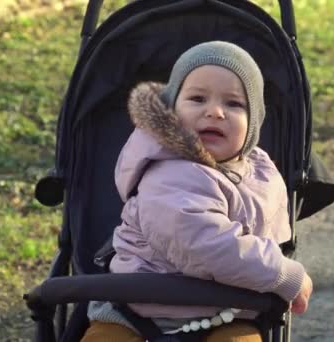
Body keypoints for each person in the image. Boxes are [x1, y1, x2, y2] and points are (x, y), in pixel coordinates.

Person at [83, 41, 313, 342]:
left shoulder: (259, 173)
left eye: (234, 104)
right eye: (197, 98)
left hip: (227, 315)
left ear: (253, 124)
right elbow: (205, 244)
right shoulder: (168, 170)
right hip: (135, 313)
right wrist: (283, 274)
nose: (215, 112)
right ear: (172, 112)